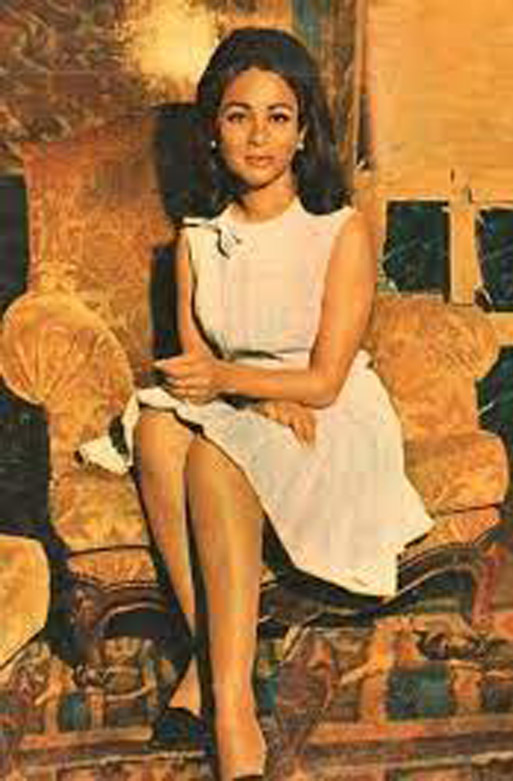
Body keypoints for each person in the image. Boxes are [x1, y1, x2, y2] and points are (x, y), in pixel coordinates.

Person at [133, 26, 433, 781]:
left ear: (303, 133)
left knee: (211, 454)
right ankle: (216, 661)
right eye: (239, 115)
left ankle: (231, 711)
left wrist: (241, 390)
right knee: (157, 431)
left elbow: (325, 380)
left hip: (328, 413)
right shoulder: (198, 239)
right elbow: (195, 369)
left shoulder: (338, 232)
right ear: (213, 129)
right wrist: (241, 393)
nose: (258, 136)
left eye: (278, 116)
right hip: (246, 398)